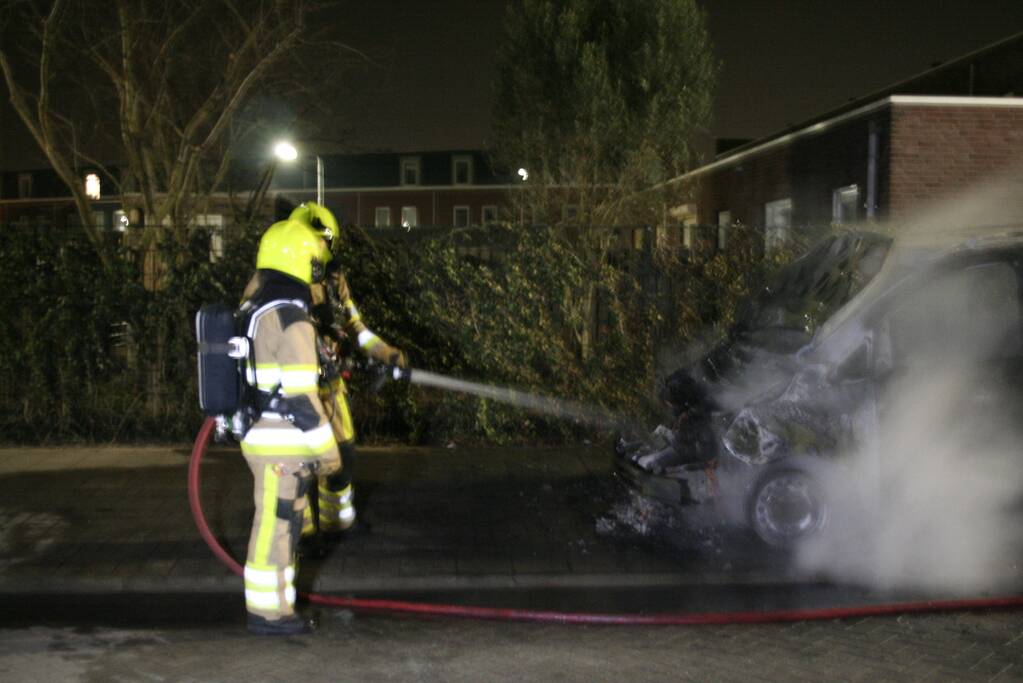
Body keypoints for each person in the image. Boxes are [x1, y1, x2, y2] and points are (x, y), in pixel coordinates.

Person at [243, 204, 407, 546]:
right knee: (297, 466)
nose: (317, 254)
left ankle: (338, 523)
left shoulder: (334, 279)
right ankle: (300, 537)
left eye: (322, 245)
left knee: (343, 454)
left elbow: (354, 325)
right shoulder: (269, 284)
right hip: (289, 393)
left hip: (329, 384)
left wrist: (385, 352)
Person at [238, 213, 340, 636]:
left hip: (265, 435)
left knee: (285, 525)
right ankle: (266, 614)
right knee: (274, 528)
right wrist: (328, 452)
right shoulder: (292, 320)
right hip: (282, 439)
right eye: (317, 269)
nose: (319, 280)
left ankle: (280, 607)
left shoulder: (259, 309)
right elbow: (301, 400)